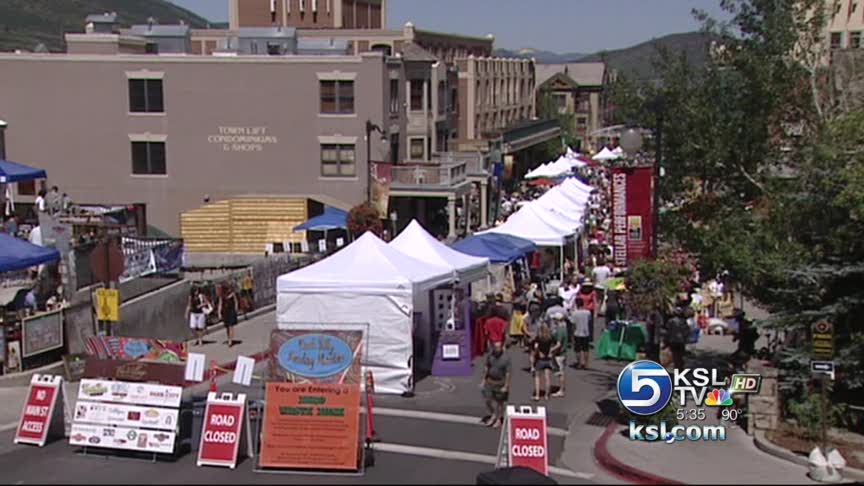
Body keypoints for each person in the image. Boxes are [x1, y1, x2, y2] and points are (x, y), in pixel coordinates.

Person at [481, 340, 511, 429]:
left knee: (500, 403)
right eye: (496, 347)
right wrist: (483, 380)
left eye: (499, 347)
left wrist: (506, 386)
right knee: (488, 400)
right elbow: (487, 367)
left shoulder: (506, 358)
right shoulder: (490, 356)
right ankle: (493, 414)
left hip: (500, 382)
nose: (497, 349)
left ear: (501, 347)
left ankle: (498, 419)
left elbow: (508, 373)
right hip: (490, 381)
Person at [661, 304, 691, 370]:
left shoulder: (671, 321)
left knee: (675, 355)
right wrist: (686, 338)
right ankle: (680, 368)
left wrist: (665, 340)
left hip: (673, 341)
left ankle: (677, 367)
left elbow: (667, 331)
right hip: (681, 341)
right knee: (680, 355)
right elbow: (687, 331)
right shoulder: (683, 321)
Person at [532, 324, 555, 401]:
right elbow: (552, 347)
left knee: (537, 377)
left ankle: (537, 395)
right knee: (547, 378)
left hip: (540, 359)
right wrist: (550, 353)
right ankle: (547, 395)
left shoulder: (539, 338)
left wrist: (537, 353)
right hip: (548, 359)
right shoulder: (550, 338)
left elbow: (536, 347)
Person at [551, 312, 568, 397]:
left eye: (554, 319)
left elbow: (559, 344)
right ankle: (561, 389)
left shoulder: (560, 330)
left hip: (560, 354)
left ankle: (561, 390)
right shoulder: (564, 328)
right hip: (562, 353)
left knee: (560, 373)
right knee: (560, 372)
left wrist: (551, 350)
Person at [571, 298, 592, 369]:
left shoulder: (574, 313)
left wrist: (572, 334)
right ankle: (586, 363)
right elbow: (589, 321)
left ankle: (579, 363)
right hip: (586, 333)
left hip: (577, 333)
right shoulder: (588, 312)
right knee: (586, 349)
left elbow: (573, 325)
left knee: (577, 349)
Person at [218, 281, 239, 347]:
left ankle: (230, 341)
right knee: (227, 327)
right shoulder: (222, 296)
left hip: (231, 311)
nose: (228, 289)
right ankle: (229, 338)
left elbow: (236, 301)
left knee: (231, 326)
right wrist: (219, 313)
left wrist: (236, 309)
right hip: (225, 312)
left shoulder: (232, 294)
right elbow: (220, 304)